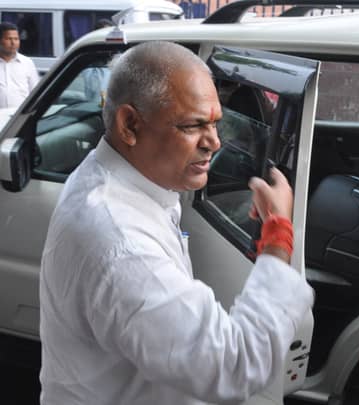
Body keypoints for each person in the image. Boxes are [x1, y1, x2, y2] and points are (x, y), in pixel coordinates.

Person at [39, 41, 314, 404]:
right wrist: (277, 234)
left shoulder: (114, 178)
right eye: (193, 125)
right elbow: (236, 364)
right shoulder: (122, 246)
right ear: (130, 124)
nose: (214, 142)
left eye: (216, 123)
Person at [0, 21, 39, 108]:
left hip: (19, 115)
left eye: (16, 39)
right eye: (9, 39)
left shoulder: (27, 63)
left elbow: (35, 93)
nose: (13, 43)